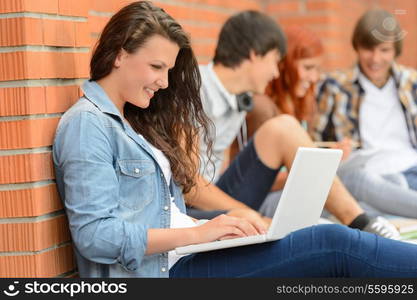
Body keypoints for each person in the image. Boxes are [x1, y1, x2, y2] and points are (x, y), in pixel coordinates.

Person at [53, 1, 417, 278]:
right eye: (156, 67)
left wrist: (216, 230)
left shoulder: (134, 121)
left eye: (168, 69)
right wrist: (201, 232)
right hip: (167, 271)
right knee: (334, 245)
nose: (164, 82)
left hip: (189, 251)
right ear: (120, 54)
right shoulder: (88, 125)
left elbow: (166, 213)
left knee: (324, 245)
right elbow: (95, 237)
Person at [187, 12, 399, 238]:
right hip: (190, 211)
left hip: (217, 195)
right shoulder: (192, 89)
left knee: (284, 129)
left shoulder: (239, 97)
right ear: (255, 55)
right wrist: (249, 215)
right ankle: (360, 226)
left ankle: (362, 223)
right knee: (284, 129)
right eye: (274, 61)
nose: (275, 72)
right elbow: (189, 185)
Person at [314, 9, 417, 219]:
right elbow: (315, 144)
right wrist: (335, 152)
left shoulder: (411, 83)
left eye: (384, 50)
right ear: (357, 47)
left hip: (411, 170)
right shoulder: (334, 86)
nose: (375, 58)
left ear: (395, 51)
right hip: (367, 176)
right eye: (368, 49)